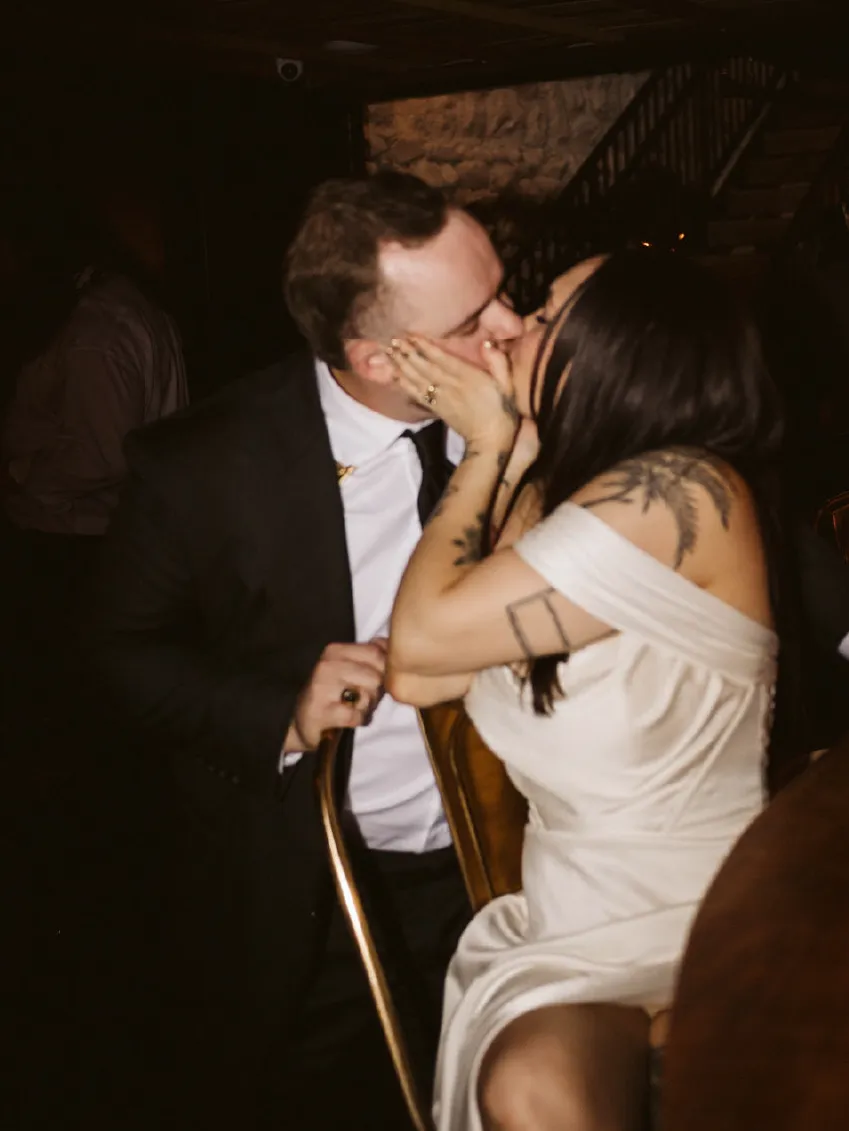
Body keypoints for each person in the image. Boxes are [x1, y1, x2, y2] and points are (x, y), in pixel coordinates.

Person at [87, 171, 523, 1129]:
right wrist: (277, 709)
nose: (513, 325)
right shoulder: (201, 464)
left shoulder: (540, 408)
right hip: (322, 884)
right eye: (470, 319)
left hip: (519, 860)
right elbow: (119, 656)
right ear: (375, 357)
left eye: (504, 287)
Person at [386, 250, 786, 1131]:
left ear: (619, 346)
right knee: (535, 1082)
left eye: (545, 314)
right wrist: (515, 457)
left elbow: (419, 635)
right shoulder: (552, 505)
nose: (515, 328)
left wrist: (487, 448)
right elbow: (417, 674)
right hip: (573, 927)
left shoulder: (685, 491)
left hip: (709, 917)